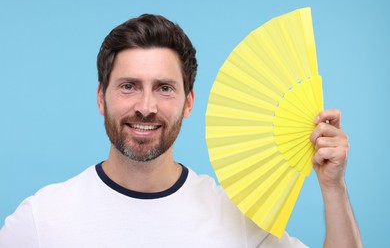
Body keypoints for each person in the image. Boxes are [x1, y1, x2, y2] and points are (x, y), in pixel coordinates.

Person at [0, 14, 362, 247]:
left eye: (164, 88)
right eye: (128, 86)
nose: (146, 105)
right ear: (101, 98)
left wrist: (334, 187)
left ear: (188, 103)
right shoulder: (41, 219)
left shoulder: (238, 219)